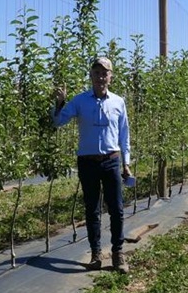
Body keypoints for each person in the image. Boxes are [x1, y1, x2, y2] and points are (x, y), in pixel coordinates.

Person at [53, 56, 132, 273]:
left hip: (112, 161)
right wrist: (59, 103)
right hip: (88, 163)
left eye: (105, 73)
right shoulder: (79, 101)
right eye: (97, 73)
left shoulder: (118, 102)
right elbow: (58, 122)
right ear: (91, 76)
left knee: (116, 208)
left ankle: (118, 253)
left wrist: (127, 163)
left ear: (111, 77)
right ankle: (96, 253)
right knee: (92, 209)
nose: (101, 77)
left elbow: (124, 134)